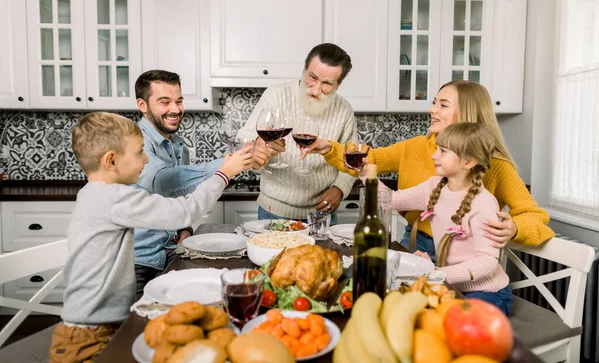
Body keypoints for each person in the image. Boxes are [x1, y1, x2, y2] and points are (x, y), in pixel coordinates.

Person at [49, 112, 252, 362]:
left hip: (96, 325)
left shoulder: (96, 194)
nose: (146, 159)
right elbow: (185, 210)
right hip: (90, 338)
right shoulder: (113, 199)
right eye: (139, 152)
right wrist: (224, 173)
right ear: (111, 161)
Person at [305, 80, 554, 261]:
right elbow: (371, 160)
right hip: (414, 245)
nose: (432, 109)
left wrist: (515, 228)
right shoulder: (416, 147)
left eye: (443, 105)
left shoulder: (495, 164)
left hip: (466, 257)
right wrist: (328, 147)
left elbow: (534, 215)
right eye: (434, 102)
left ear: (467, 113)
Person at [132, 70, 268, 298]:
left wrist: (184, 228)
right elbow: (162, 182)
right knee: (137, 329)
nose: (175, 109)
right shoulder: (135, 140)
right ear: (142, 105)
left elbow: (177, 198)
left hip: (169, 252)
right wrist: (227, 167)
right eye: (164, 102)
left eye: (179, 101)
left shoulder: (176, 144)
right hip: (139, 261)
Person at [372, 123, 513, 314]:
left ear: (468, 161)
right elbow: (390, 201)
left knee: (452, 323)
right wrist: (366, 174)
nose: (434, 155)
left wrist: (438, 273)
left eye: (443, 151)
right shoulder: (434, 186)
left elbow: (487, 262)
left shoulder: (483, 204)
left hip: (487, 292)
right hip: (450, 283)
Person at [237, 43, 357, 223]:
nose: (316, 89)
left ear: (338, 85)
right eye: (313, 77)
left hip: (320, 214)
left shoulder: (344, 110)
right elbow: (243, 137)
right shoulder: (276, 94)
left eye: (327, 84)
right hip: (272, 211)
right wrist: (257, 145)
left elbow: (352, 160)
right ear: (304, 69)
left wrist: (340, 189)